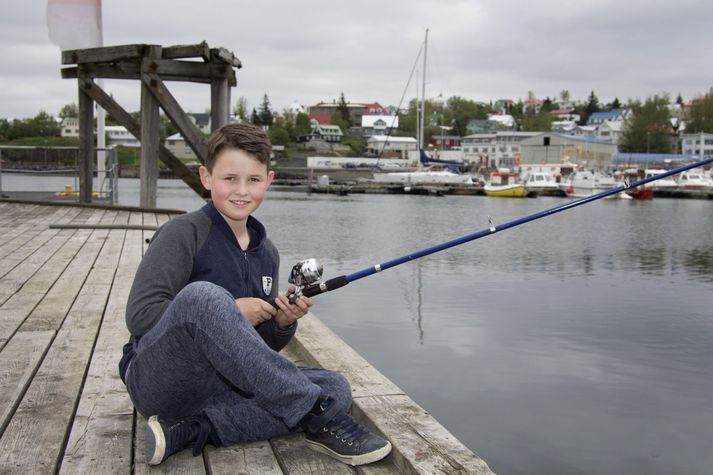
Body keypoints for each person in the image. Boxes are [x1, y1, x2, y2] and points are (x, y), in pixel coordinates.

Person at [118, 123, 391, 466]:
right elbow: (140, 316)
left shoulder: (267, 253)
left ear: (269, 180)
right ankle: (317, 415)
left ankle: (192, 430)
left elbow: (255, 354)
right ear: (206, 177)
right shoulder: (182, 233)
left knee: (335, 387)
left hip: (220, 387)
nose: (241, 191)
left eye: (253, 180)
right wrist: (229, 310)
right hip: (158, 380)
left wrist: (281, 323)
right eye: (229, 179)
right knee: (204, 296)